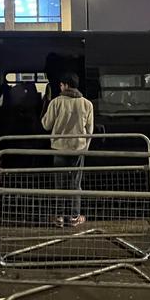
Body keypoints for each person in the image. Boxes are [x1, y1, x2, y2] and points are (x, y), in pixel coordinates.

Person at [41, 72, 94, 227]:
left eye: (61, 85)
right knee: (75, 183)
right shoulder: (87, 104)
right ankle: (74, 216)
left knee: (60, 183)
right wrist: (85, 147)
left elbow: (46, 125)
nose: (60, 87)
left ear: (66, 85)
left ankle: (59, 217)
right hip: (78, 149)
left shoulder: (56, 102)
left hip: (59, 148)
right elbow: (90, 130)